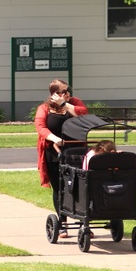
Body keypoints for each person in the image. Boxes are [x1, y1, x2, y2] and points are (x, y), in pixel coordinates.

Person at [34, 79, 88, 221]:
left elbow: (83, 115)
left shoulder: (74, 103)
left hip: (76, 151)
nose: (67, 93)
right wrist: (53, 138)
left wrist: (64, 104)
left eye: (68, 90)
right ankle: (62, 222)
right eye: (62, 92)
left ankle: (83, 221)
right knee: (59, 188)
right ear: (54, 94)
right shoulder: (44, 108)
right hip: (54, 152)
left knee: (79, 186)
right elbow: (40, 126)